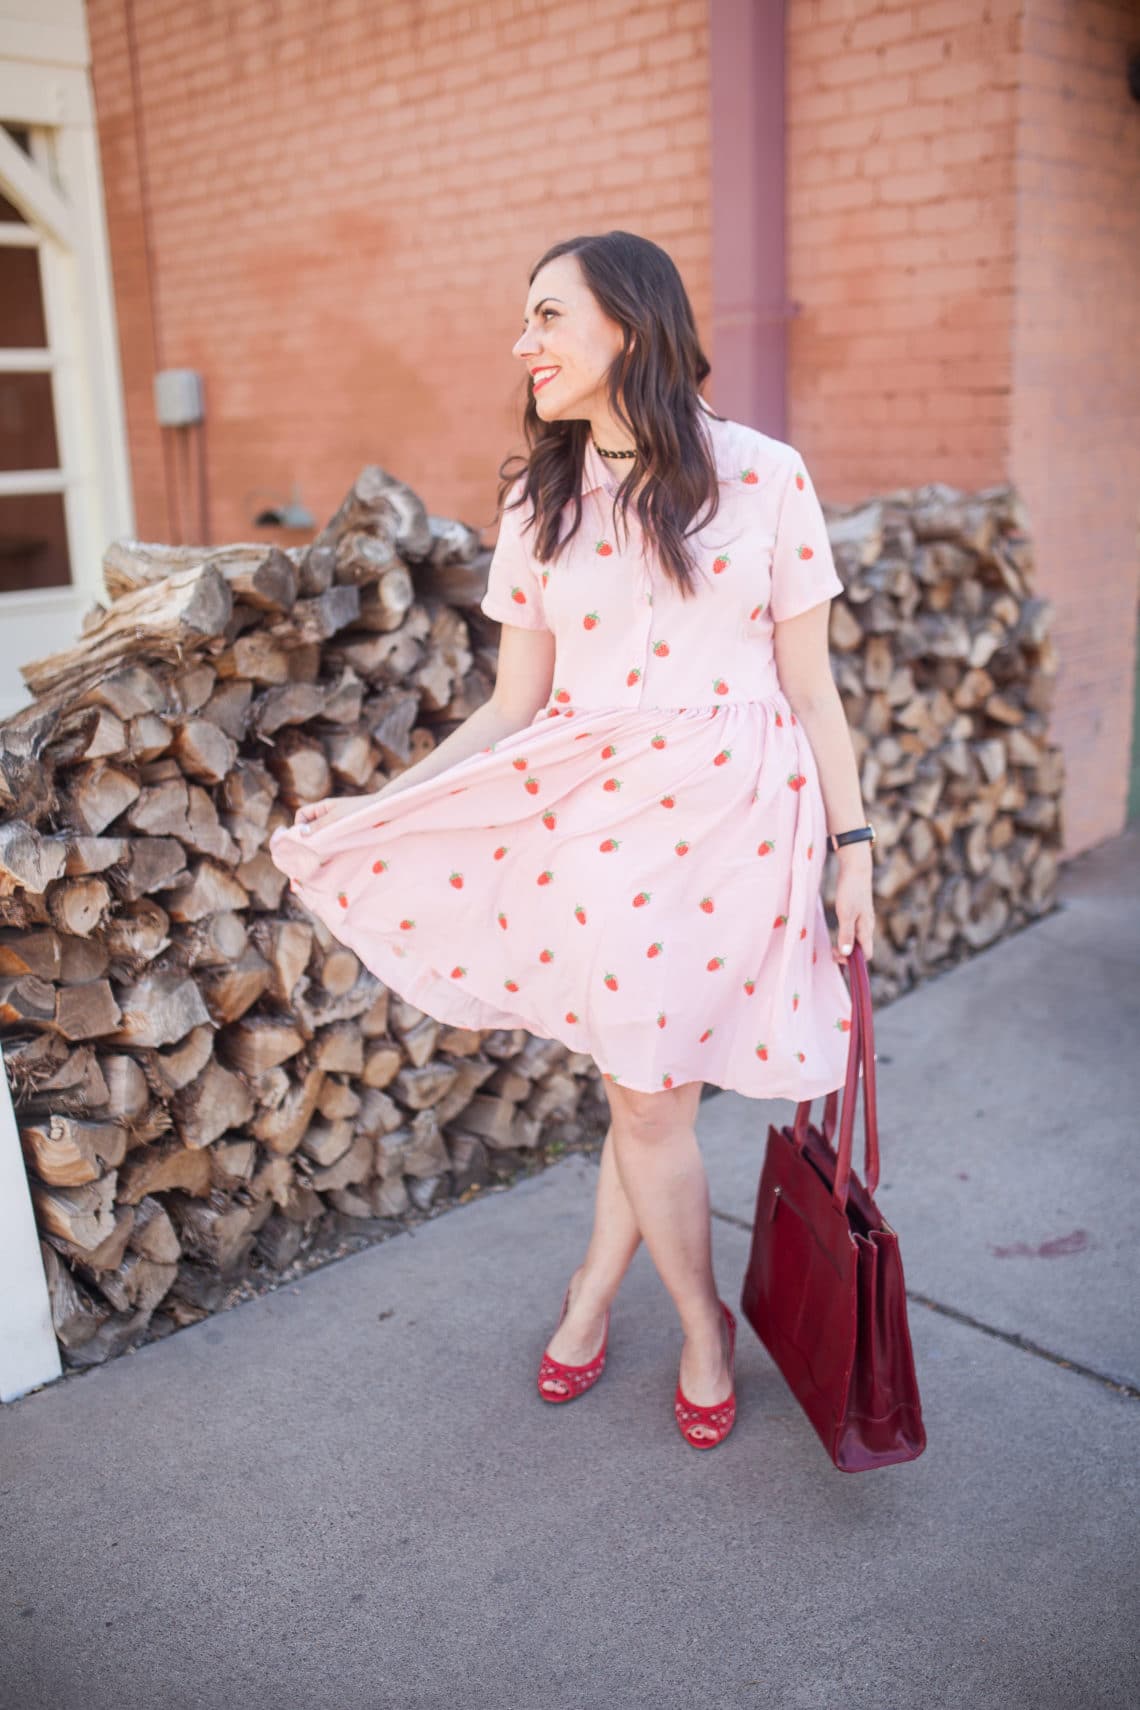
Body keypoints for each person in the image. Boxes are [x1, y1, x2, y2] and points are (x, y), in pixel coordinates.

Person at [268, 231, 875, 1451]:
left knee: (649, 1092)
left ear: (630, 331)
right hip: (599, 824)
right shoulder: (538, 498)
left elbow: (814, 691)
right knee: (646, 1094)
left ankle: (597, 1300)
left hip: (743, 826)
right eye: (526, 319)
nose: (522, 343)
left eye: (548, 316)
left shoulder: (765, 476)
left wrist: (851, 846)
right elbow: (511, 703)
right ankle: (700, 1329)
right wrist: (386, 805)